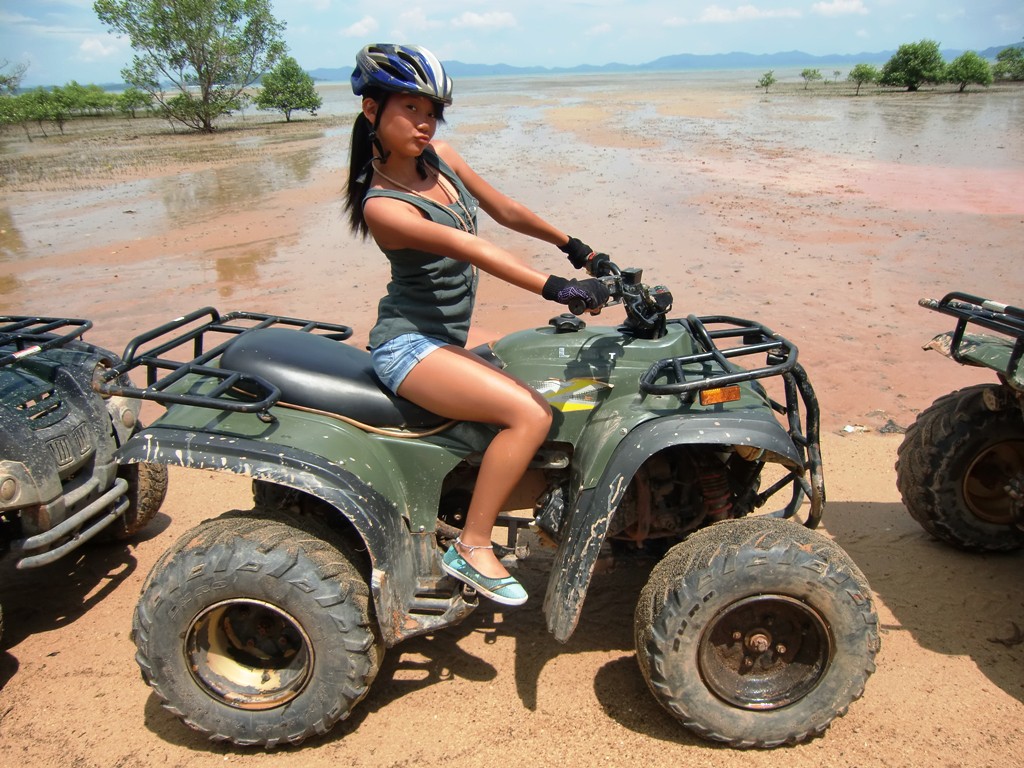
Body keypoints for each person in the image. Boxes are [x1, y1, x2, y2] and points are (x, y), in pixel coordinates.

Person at [345, 43, 608, 606]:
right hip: (407, 349)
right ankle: (472, 546)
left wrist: (576, 249)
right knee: (528, 413)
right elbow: (472, 246)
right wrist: (555, 289)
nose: (423, 122)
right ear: (372, 111)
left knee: (549, 384)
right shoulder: (382, 204)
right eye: (410, 108)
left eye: (431, 110)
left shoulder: (442, 158)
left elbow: (504, 208)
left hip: (443, 343)